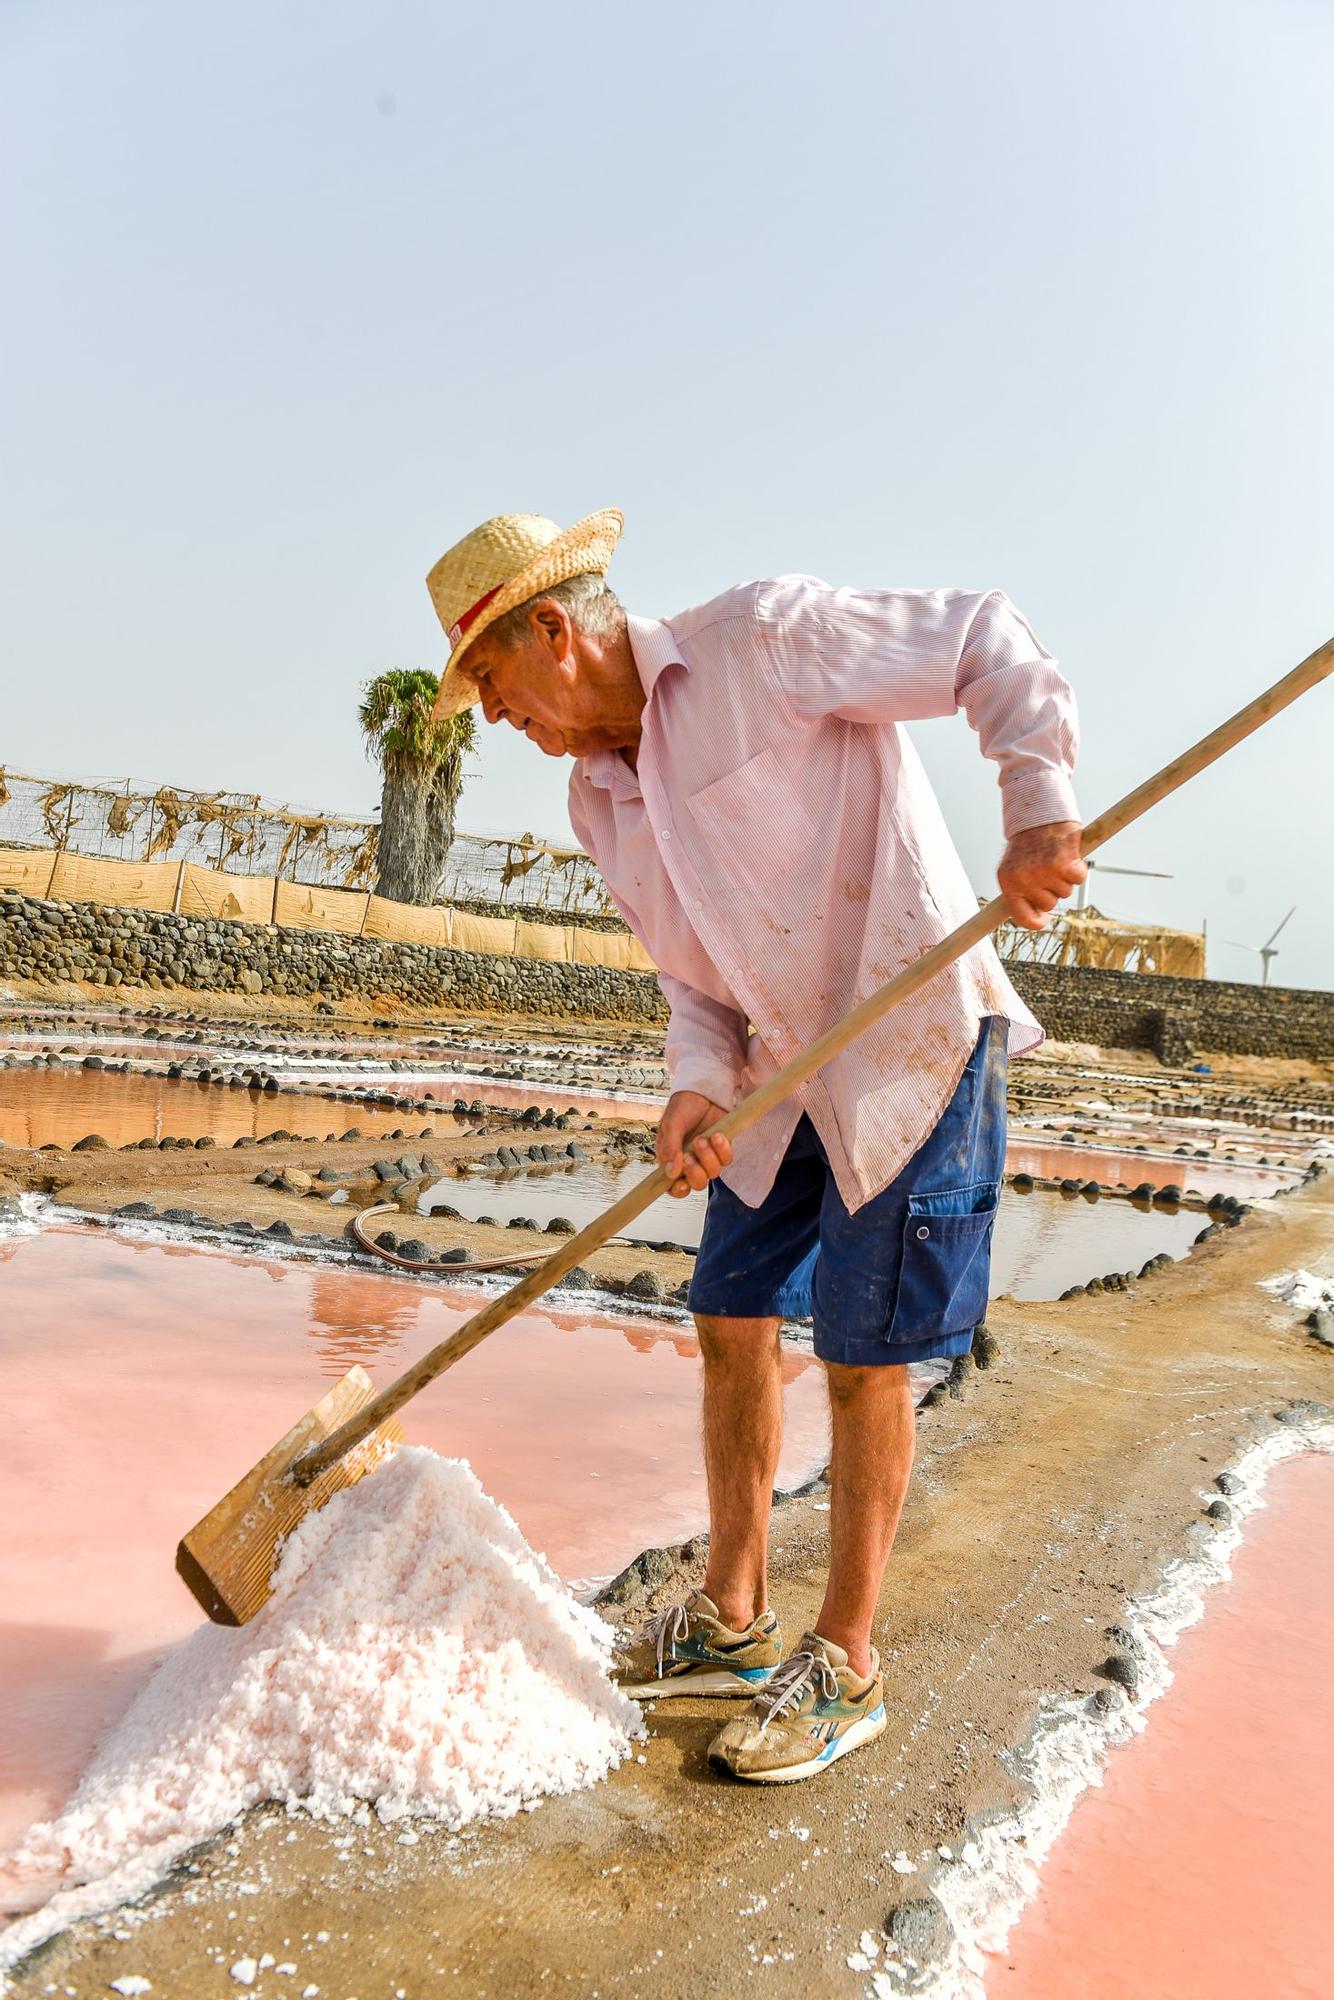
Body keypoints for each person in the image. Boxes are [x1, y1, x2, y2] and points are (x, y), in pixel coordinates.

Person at [425, 508, 1084, 1783]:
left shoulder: (762, 643)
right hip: (771, 1082)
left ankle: (843, 1658)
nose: (500, 718)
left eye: (496, 685)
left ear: (553, 630)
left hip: (905, 1043)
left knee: (861, 1351)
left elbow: (981, 637)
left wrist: (1035, 802)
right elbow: (692, 976)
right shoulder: (595, 796)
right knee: (727, 1316)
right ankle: (732, 1615)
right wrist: (692, 1088)